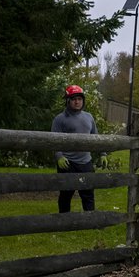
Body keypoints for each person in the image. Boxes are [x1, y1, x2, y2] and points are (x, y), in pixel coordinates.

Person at [51, 84, 97, 213]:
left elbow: (96, 138)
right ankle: (64, 219)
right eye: (74, 99)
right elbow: (53, 140)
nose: (77, 102)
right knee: (66, 193)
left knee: (88, 193)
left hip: (86, 162)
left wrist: (103, 153)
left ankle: (90, 219)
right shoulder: (59, 119)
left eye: (79, 99)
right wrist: (59, 156)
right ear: (68, 101)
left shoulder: (89, 117)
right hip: (67, 163)